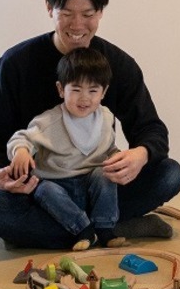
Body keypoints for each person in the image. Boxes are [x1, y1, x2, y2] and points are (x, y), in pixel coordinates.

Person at [0, 0, 180, 248]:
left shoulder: (118, 65)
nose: (77, 25)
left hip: (102, 184)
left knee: (169, 174)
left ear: (101, 11)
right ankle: (111, 227)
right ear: (49, 7)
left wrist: (140, 154)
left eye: (88, 14)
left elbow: (151, 129)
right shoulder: (16, 63)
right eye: (66, 13)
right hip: (43, 190)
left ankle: (67, 231)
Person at [7, 46, 124, 250]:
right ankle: (84, 230)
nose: (84, 98)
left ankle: (105, 228)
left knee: (106, 175)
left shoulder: (106, 117)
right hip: (59, 187)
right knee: (42, 189)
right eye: (76, 90)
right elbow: (22, 137)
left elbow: (109, 148)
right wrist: (21, 151)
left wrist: (119, 159)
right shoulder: (48, 121)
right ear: (61, 89)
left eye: (93, 91)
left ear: (104, 92)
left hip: (91, 185)